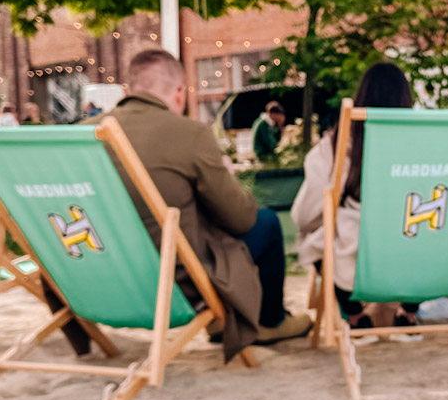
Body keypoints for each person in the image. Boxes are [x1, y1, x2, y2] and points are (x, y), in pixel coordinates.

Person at [106, 49, 310, 357]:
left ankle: (222, 318)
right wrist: (227, 178)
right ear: (178, 93)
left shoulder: (86, 131)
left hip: (107, 276)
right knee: (266, 221)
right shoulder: (189, 134)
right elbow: (241, 219)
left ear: (129, 88)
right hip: (179, 282)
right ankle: (270, 321)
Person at [292, 62, 423, 338]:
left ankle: (355, 316)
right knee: (429, 232)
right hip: (417, 252)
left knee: (318, 234)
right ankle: (408, 313)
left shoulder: (337, 145)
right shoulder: (424, 143)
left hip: (356, 259)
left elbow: (303, 215)